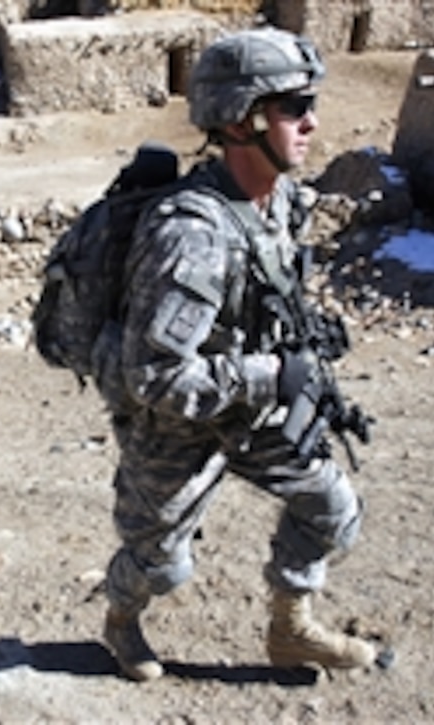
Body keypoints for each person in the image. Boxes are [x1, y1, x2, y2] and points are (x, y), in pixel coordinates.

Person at [95, 27, 378, 681]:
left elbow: (263, 295)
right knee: (161, 563)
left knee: (331, 507)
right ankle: (120, 619)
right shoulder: (190, 235)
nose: (311, 121)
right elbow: (155, 375)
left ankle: (291, 629)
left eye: (310, 105)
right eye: (293, 106)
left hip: (250, 403)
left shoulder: (277, 200)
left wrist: (301, 345)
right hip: (174, 426)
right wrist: (273, 372)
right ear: (245, 118)